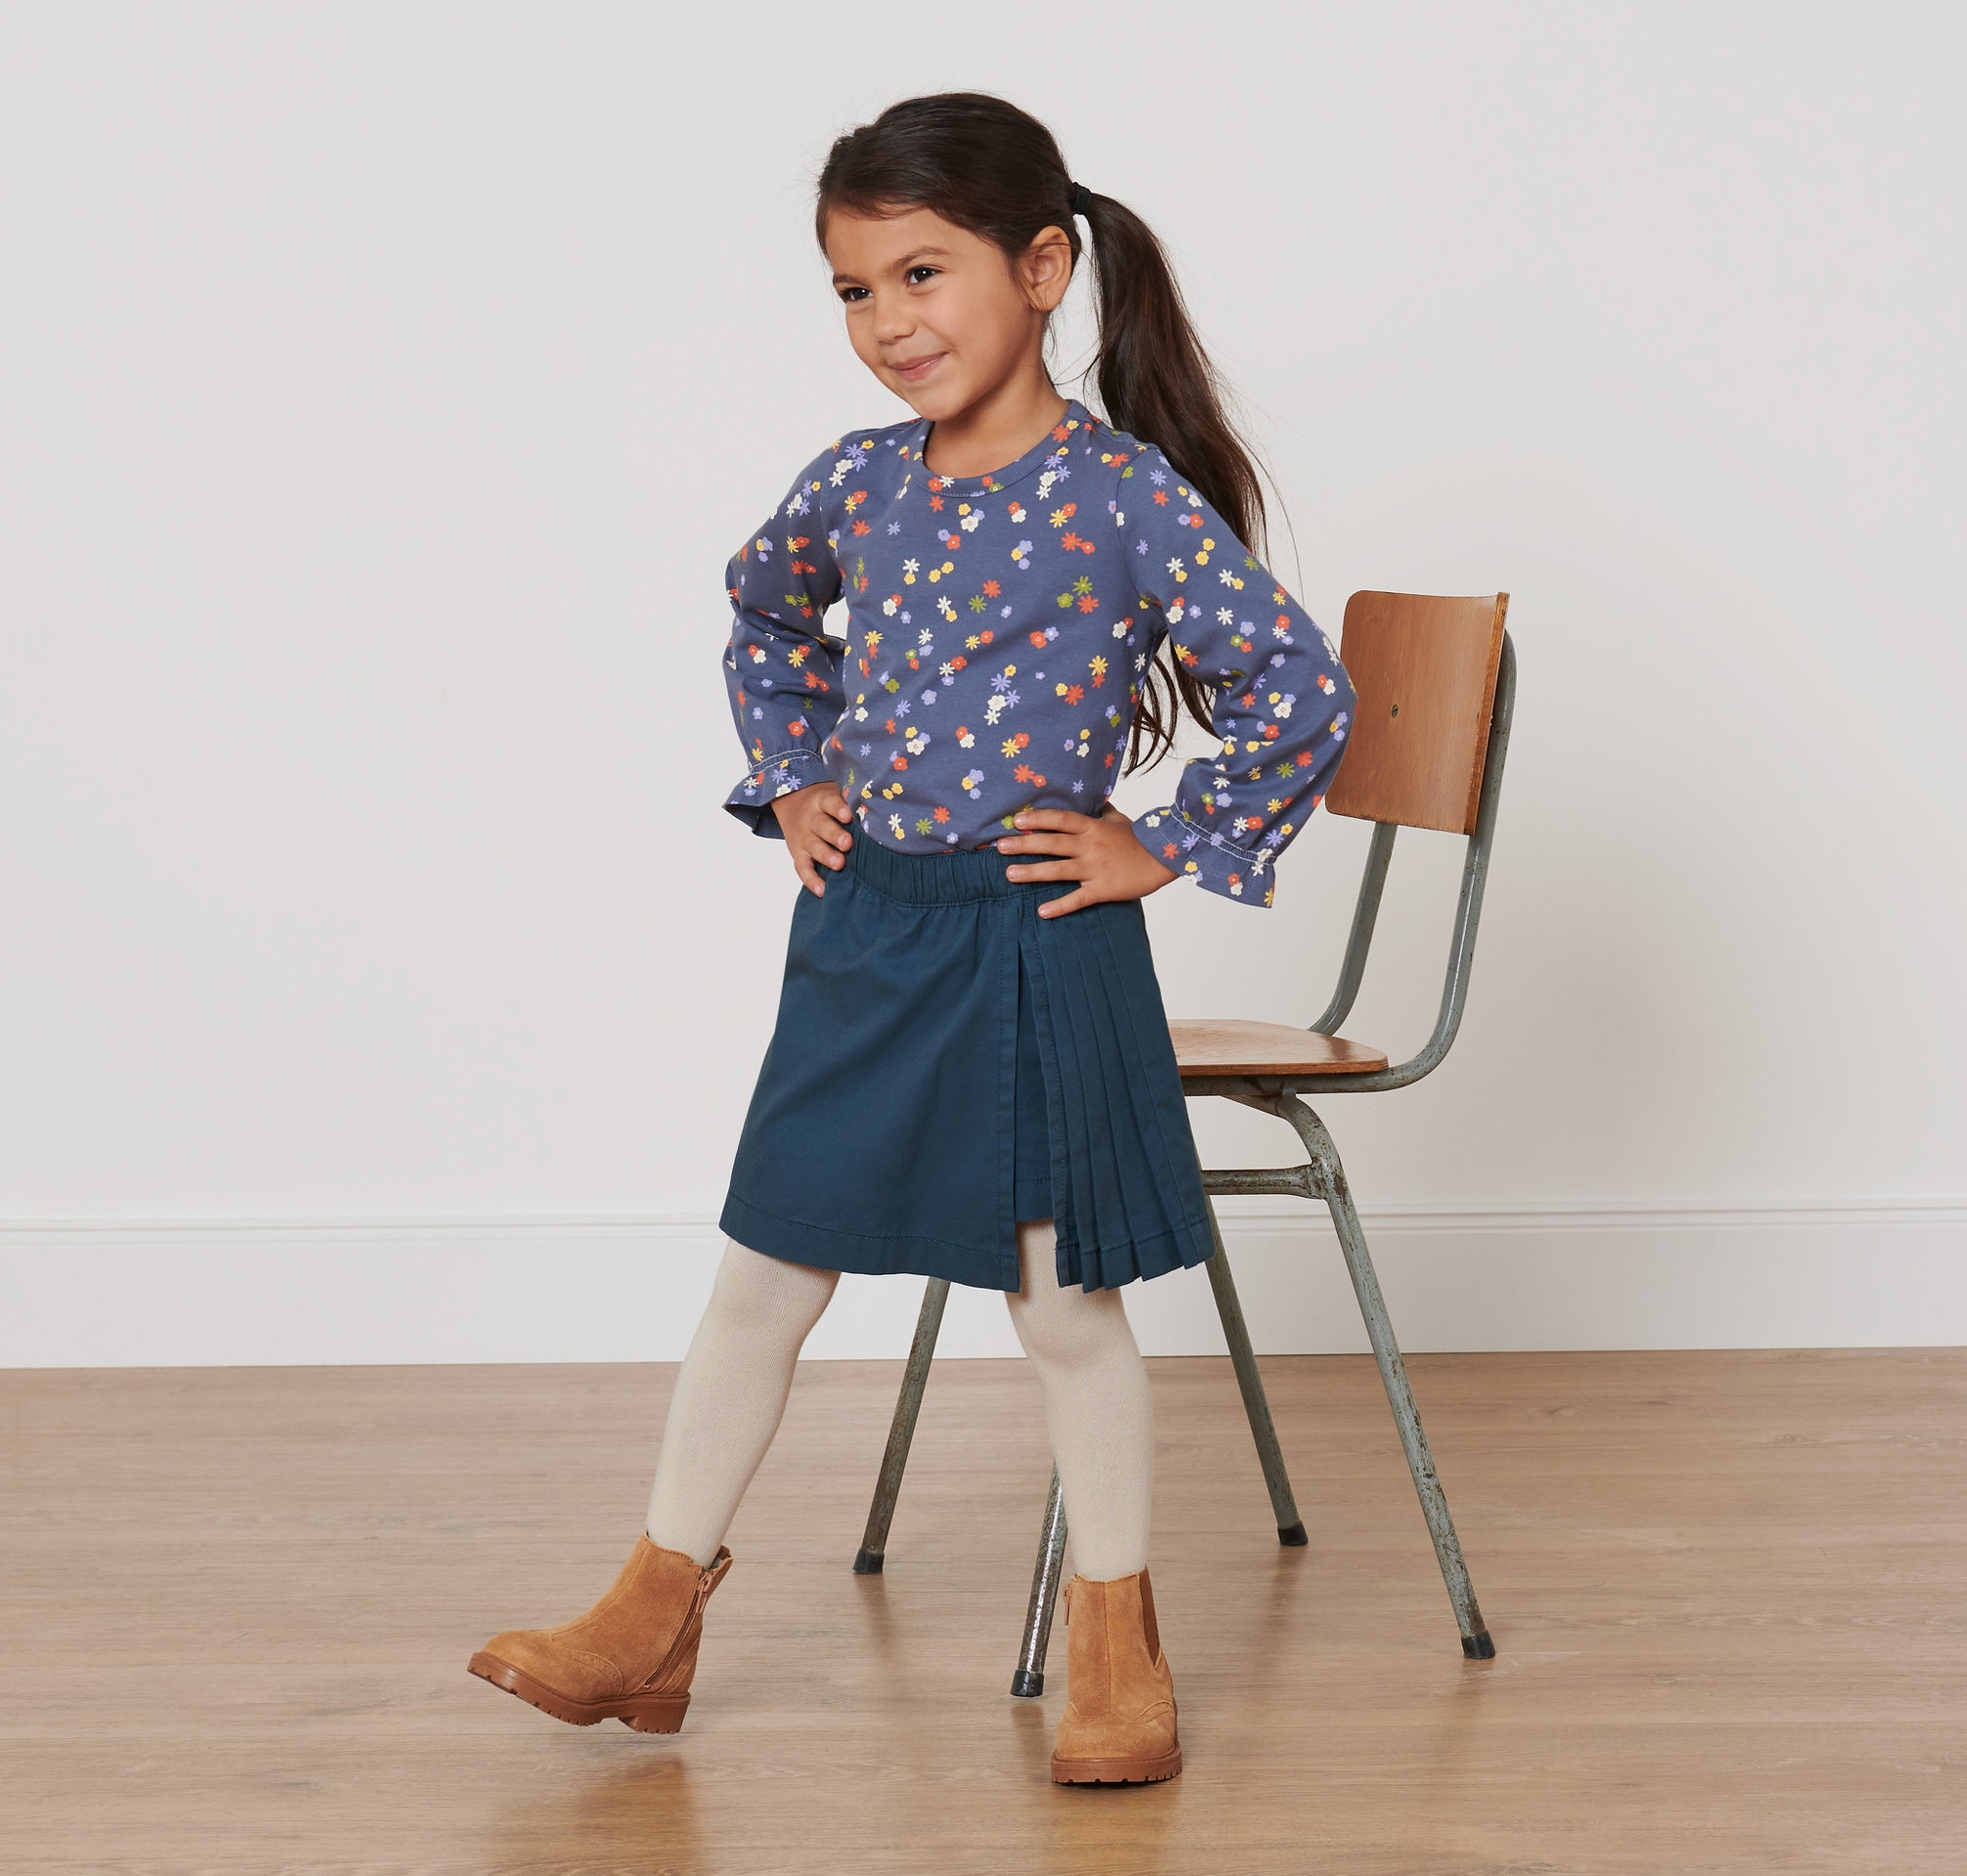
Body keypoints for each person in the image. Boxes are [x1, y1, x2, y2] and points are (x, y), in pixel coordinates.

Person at [466, 90, 1357, 1787]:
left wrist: (1158, 844)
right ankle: (652, 1609)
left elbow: (1301, 692)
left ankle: (1115, 1633)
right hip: (870, 929)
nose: (889, 325)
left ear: (1041, 268)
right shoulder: (853, 484)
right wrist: (796, 775)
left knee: (1057, 1303)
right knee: (764, 1268)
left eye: (921, 275)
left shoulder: (1121, 495)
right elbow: (765, 607)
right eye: (854, 291)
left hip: (1038, 934)